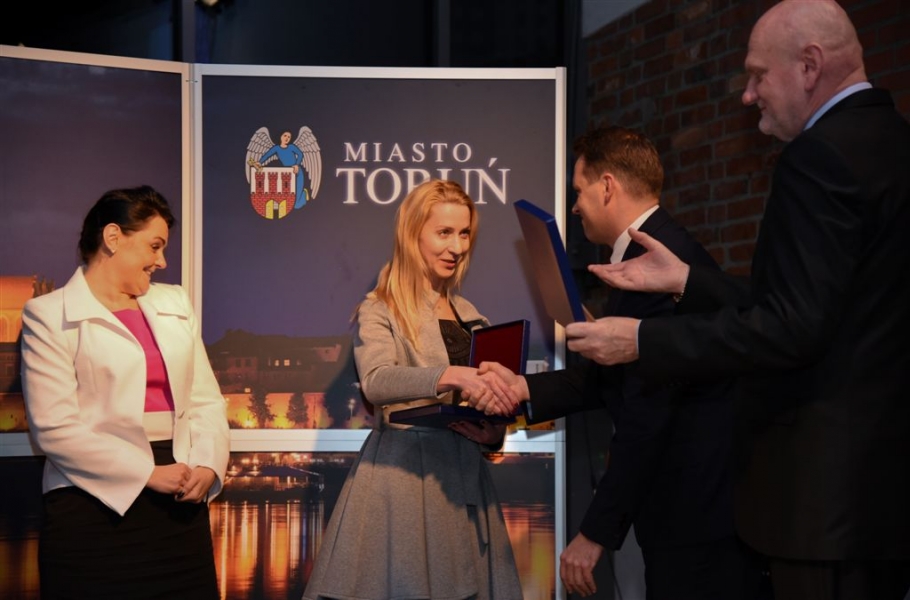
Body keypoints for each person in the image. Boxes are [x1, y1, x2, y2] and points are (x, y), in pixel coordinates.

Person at [563, 2, 910, 599]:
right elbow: (816, 305)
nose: (748, 95)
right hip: (880, 495)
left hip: (823, 502)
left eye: (757, 75)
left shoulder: (819, 157)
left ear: (809, 66)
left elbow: (791, 328)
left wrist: (642, 339)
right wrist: (688, 282)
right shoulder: (894, 142)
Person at [469, 126, 764, 599]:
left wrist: (594, 533)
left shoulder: (658, 262)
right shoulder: (648, 251)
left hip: (695, 520)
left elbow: (649, 411)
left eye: (579, 190)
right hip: (690, 516)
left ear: (607, 186)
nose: (574, 206)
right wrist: (522, 389)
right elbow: (613, 379)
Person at [302, 179, 523, 600]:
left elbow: (484, 401)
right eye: (444, 232)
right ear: (412, 234)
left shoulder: (471, 315)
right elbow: (376, 380)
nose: (456, 247)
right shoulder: (380, 307)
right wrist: (450, 375)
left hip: (464, 484)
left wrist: (494, 433)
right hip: (403, 485)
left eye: (464, 234)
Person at [20, 185, 230, 599]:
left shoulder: (176, 302)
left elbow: (205, 400)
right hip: (90, 505)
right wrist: (146, 474)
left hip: (180, 503)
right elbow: (54, 428)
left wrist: (208, 465)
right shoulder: (47, 315)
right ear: (113, 237)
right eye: (155, 246)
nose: (162, 261)